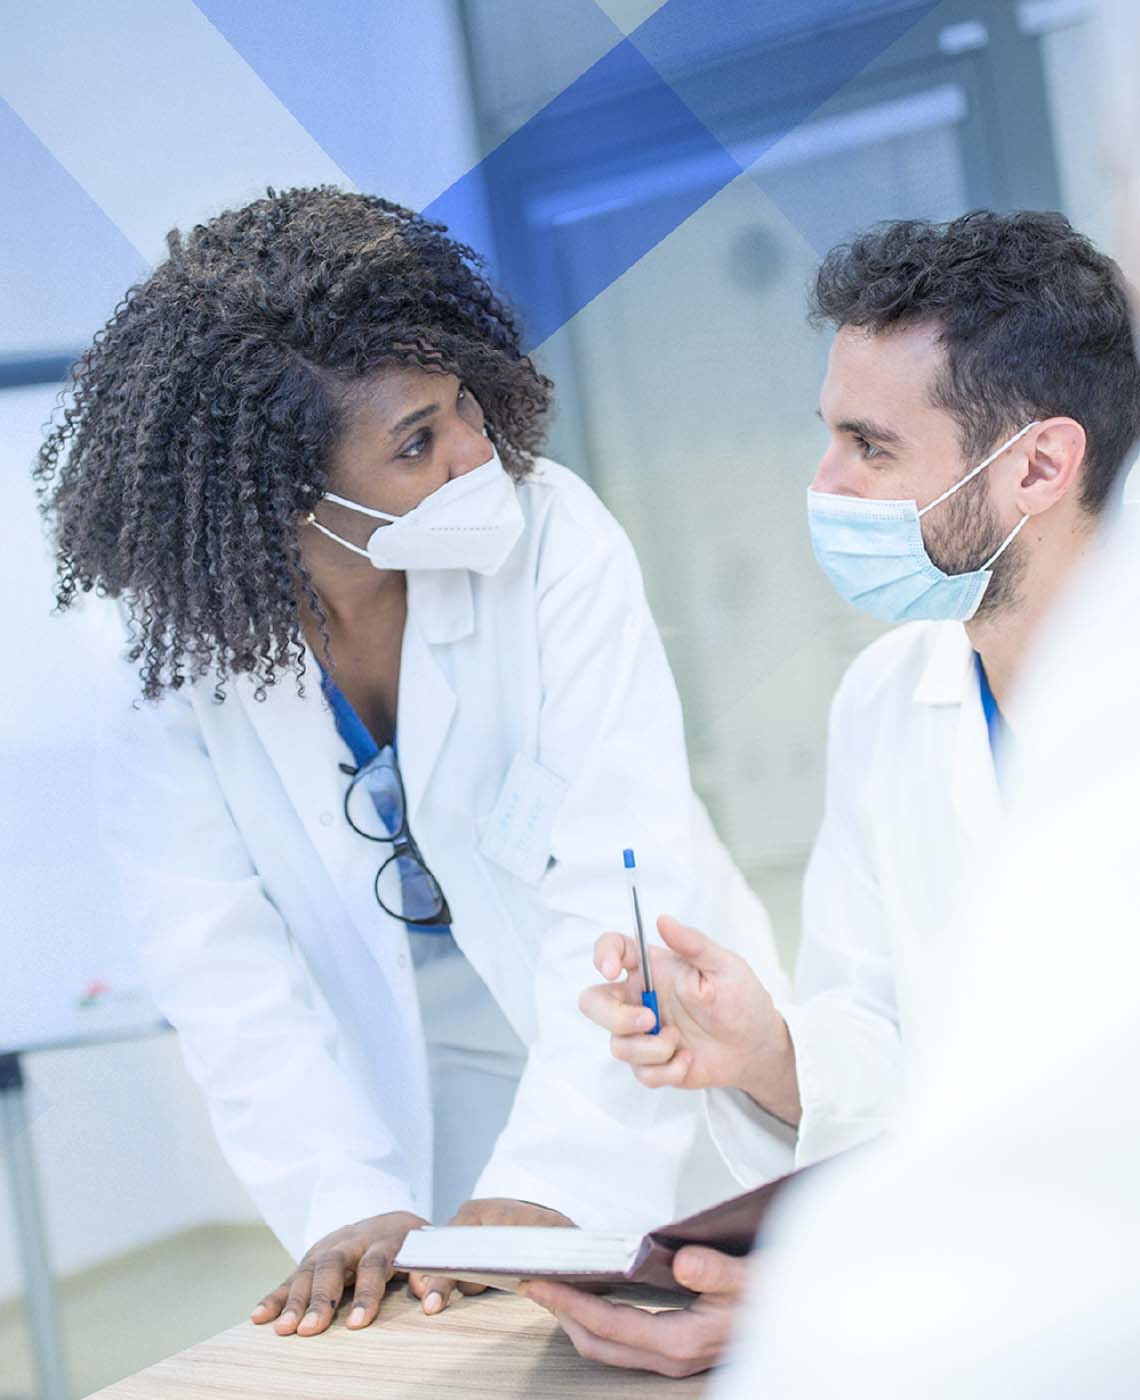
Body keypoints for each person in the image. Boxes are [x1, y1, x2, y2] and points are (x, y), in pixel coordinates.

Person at [36, 186, 786, 1339]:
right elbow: (224, 969)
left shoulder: (554, 544)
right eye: (417, 442)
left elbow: (623, 869)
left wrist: (559, 1173)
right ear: (282, 496)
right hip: (414, 1073)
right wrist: (342, 1198)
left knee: (658, 1311)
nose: (480, 453)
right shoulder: (173, 667)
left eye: (462, 406)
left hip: (617, 1053)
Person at [525, 209, 1140, 1375]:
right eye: (828, 436)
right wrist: (767, 1050)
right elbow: (901, 1042)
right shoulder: (885, 699)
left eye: (870, 445)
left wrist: (852, 1299)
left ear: (1041, 467)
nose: (822, 484)